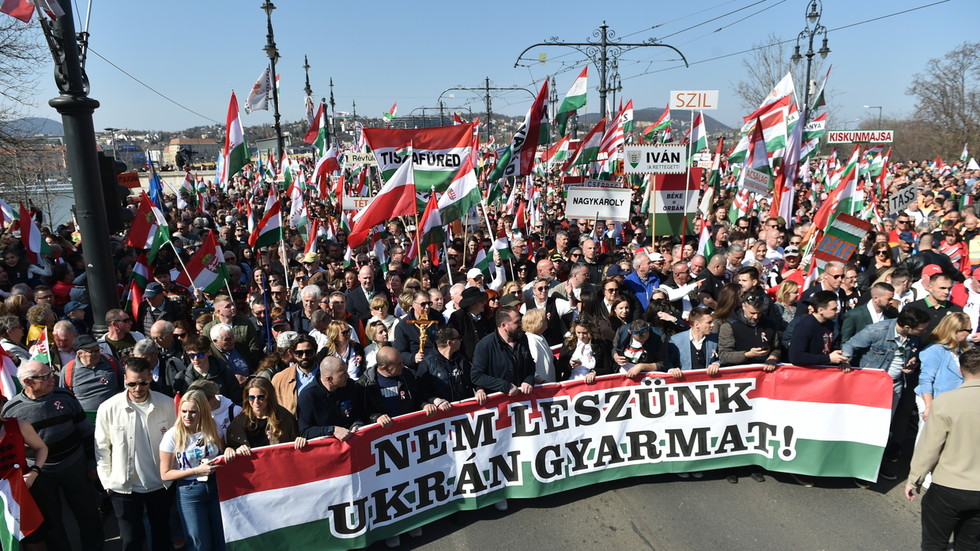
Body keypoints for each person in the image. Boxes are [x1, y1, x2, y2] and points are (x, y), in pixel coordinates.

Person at [2, 360, 104, 551]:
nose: (53, 380)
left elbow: (85, 432)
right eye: (46, 377)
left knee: (88, 514)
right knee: (52, 522)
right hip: (41, 475)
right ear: (28, 382)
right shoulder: (12, 410)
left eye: (51, 374)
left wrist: (91, 462)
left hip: (75, 466)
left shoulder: (64, 396)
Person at [95, 356, 177, 551]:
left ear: (150, 377)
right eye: (132, 383)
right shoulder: (108, 408)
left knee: (162, 537)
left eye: (143, 383)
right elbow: (102, 449)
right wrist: (108, 483)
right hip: (123, 488)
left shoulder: (167, 404)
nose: (138, 388)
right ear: (124, 379)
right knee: (131, 540)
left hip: (160, 484)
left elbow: (177, 442)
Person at [905, 348, 980, 550]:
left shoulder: (945, 402)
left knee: (934, 544)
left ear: (960, 369)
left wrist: (915, 478)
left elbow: (930, 447)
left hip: (949, 487)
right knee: (970, 545)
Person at [159, 389, 235, 551]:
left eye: (193, 412)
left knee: (222, 540)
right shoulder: (172, 435)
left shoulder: (212, 426)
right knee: (199, 544)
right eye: (184, 411)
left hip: (216, 487)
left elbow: (221, 450)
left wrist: (228, 449)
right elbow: (165, 474)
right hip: (190, 492)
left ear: (202, 412)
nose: (187, 416)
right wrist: (196, 471)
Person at [0, 388, 48, 551]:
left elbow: (42, 448)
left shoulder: (17, 425)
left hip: (23, 494)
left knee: (34, 540)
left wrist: (34, 472)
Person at [916, 312, 974, 426]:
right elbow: (925, 380)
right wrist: (929, 406)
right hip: (933, 400)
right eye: (968, 330)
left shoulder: (963, 350)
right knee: (928, 439)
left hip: (954, 402)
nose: (969, 334)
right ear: (955, 330)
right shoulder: (934, 350)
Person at [227, 376, 306, 452]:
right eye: (251, 397)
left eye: (261, 397)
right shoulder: (239, 422)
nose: (256, 401)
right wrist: (234, 449)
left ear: (269, 396)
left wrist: (300, 440)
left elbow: (295, 441)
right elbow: (231, 446)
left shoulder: (284, 417)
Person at [297, 356, 367, 440]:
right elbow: (305, 431)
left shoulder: (350, 385)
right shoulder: (308, 395)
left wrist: (357, 424)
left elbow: (359, 412)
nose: (348, 376)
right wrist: (332, 430)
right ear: (329, 379)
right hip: (327, 448)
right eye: (343, 374)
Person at [416, 327, 483, 405]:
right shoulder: (427, 364)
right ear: (449, 343)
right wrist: (435, 400)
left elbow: (475, 378)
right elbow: (421, 392)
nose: (461, 340)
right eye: (458, 338)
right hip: (443, 413)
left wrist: (479, 390)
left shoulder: (461, 359)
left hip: (464, 410)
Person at [61, 333, 124, 415]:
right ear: (80, 354)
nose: (97, 354)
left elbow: (123, 385)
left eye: (98, 350)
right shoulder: (68, 370)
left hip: (115, 414)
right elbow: (65, 398)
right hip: (87, 420)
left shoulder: (110, 361)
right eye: (92, 352)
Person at [173, 335, 242, 406]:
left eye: (200, 355)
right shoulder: (182, 377)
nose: (196, 359)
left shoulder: (224, 373)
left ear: (208, 352)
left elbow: (236, 400)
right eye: (192, 355)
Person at [788, 290, 849, 368]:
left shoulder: (830, 324)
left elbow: (832, 348)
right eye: (834, 309)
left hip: (825, 373)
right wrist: (828, 358)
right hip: (808, 374)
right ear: (820, 310)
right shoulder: (804, 326)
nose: (838, 311)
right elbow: (796, 357)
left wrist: (840, 360)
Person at [271, 334, 319, 415]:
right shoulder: (280, 379)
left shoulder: (329, 375)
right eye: (299, 353)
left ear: (315, 352)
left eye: (309, 352)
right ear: (293, 354)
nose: (304, 356)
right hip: (291, 425)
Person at [667, 307, 720, 377]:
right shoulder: (676, 340)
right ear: (697, 324)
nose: (712, 325)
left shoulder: (716, 339)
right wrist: (672, 369)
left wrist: (717, 363)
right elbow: (667, 361)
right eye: (709, 322)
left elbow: (724, 357)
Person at [522, 308, 556, 383]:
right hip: (541, 387)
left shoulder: (541, 337)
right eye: (544, 319)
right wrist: (541, 381)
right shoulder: (530, 341)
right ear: (538, 322)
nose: (547, 319)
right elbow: (527, 366)